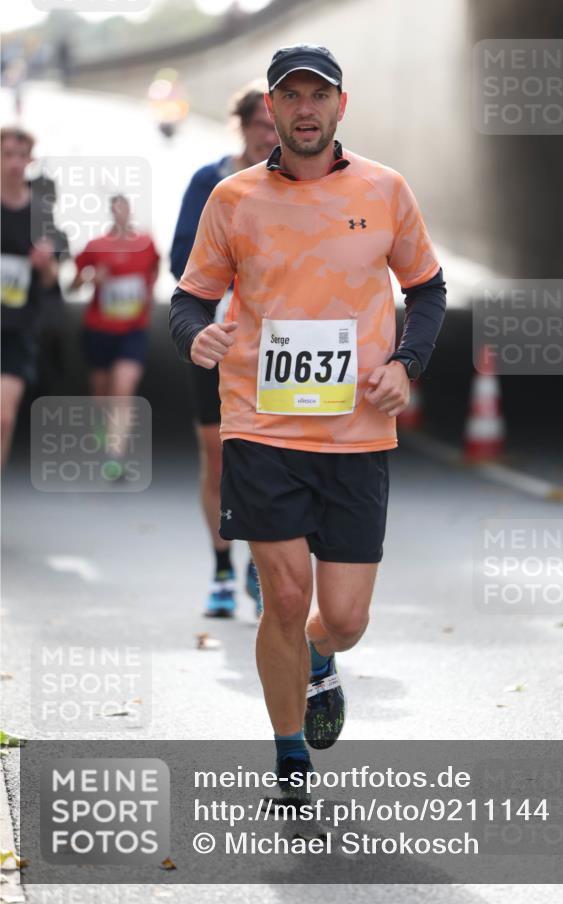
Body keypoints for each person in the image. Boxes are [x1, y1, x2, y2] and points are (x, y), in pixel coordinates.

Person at [170, 45, 446, 800]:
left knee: (345, 617)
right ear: (271, 109)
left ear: (338, 107)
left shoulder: (386, 190)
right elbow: (190, 296)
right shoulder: (232, 199)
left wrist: (405, 364)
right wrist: (193, 334)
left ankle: (320, 658)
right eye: (288, 96)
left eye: (316, 95)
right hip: (260, 424)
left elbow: (426, 288)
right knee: (285, 597)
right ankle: (289, 754)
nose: (302, 108)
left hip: (357, 431)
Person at [171, 83, 277, 619]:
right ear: (242, 126)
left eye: (277, 126)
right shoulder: (211, 182)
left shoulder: (300, 186)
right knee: (217, 458)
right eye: (263, 125)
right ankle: (220, 569)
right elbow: (181, 268)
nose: (272, 136)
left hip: (277, 351)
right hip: (217, 345)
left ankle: (262, 566)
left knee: (270, 460)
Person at [70, 194, 159, 476]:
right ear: (111, 212)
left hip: (133, 329)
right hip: (99, 328)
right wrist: (89, 278)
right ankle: (101, 425)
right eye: (115, 209)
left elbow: (156, 267)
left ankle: (114, 456)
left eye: (125, 208)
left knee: (123, 388)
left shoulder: (145, 244)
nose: (120, 213)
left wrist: (148, 290)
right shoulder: (95, 246)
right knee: (102, 390)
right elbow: (72, 284)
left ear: (129, 211)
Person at [1, 126, 59, 467]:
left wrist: (45, 263)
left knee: (3, 419)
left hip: (18, 328)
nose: (14, 163)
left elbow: (51, 280)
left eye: (21, 156)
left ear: (30, 160)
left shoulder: (40, 210)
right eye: (7, 154)